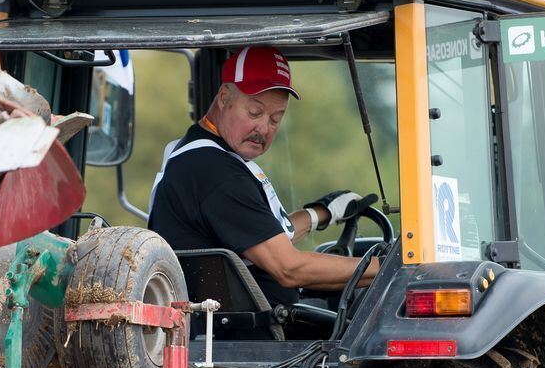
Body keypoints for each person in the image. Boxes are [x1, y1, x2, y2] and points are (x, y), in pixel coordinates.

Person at [148, 46, 379, 307]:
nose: (263, 129)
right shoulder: (214, 171)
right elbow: (288, 268)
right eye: (255, 113)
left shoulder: (199, 151)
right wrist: (387, 268)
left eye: (275, 118)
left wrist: (323, 212)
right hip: (237, 337)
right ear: (224, 97)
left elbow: (262, 234)